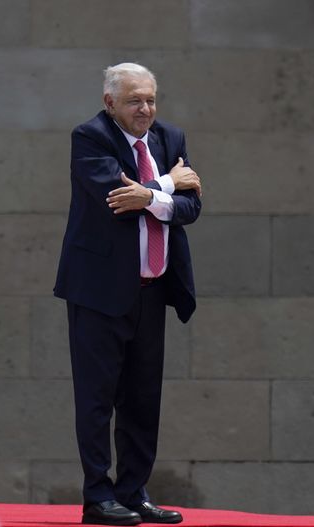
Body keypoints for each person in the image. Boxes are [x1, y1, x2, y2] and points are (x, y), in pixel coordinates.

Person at [54, 63, 202, 526]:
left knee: (142, 399)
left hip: (152, 290)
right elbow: (114, 198)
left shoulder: (170, 139)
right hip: (99, 293)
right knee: (98, 399)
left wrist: (155, 196)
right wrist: (167, 187)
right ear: (110, 103)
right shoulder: (91, 137)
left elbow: (192, 206)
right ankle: (98, 497)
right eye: (135, 100)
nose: (146, 109)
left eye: (151, 100)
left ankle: (133, 492)